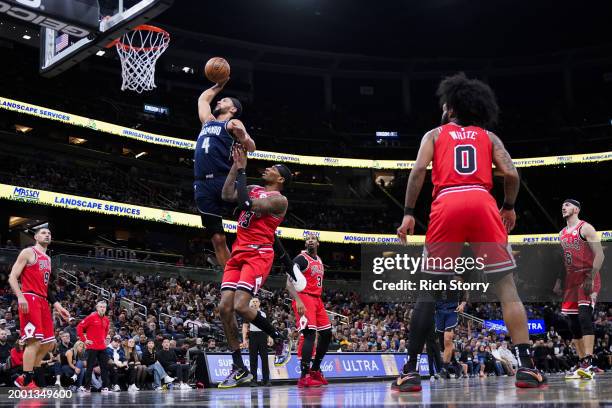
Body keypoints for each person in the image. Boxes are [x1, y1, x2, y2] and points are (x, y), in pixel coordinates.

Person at [393, 73, 546, 392]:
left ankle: (409, 372)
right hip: (482, 200)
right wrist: (508, 206)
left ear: (450, 107)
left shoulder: (434, 134)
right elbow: (512, 174)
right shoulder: (488, 137)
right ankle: (527, 367)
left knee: (428, 293)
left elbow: (418, 172)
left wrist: (408, 213)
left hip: (447, 202)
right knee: (506, 288)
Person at [216, 146, 294, 388]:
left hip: (258, 254)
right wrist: (235, 166)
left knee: (240, 305)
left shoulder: (279, 200)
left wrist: (242, 171)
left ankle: (279, 338)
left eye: (274, 168)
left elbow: (249, 205)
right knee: (224, 308)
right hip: (239, 252)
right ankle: (239, 367)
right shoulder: (252, 187)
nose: (268, 168)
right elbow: (228, 194)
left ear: (280, 179)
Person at [194, 78, 256, 269]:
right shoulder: (207, 122)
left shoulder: (232, 122)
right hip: (202, 184)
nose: (219, 101)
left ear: (233, 109)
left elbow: (252, 147)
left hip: (224, 180)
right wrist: (218, 86)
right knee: (218, 238)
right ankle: (230, 279)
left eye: (224, 100)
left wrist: (243, 136)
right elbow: (203, 100)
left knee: (249, 208)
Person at [8, 227, 70, 389]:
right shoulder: (28, 252)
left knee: (49, 343)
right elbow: (12, 277)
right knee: (34, 342)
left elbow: (46, 287)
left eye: (49, 233)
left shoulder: (48, 259)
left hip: (43, 301)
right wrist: (20, 296)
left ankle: (29, 376)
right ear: (35, 237)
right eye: (43, 232)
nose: (47, 234)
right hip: (30, 298)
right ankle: (26, 379)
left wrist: (57, 305)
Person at [554, 199, 605, 380]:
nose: (563, 207)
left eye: (567, 205)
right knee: (572, 322)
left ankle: (589, 361)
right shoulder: (561, 233)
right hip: (571, 278)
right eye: (562, 206)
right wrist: (560, 280)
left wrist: (591, 276)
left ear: (576, 209)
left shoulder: (586, 228)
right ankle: (583, 361)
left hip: (587, 275)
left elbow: (600, 254)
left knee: (584, 316)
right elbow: (564, 261)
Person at [286, 233, 331, 387]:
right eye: (308, 239)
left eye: (313, 239)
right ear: (305, 243)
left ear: (318, 243)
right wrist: (297, 300)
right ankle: (304, 375)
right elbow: (288, 283)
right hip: (304, 298)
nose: (310, 240)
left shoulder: (319, 260)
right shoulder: (300, 259)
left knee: (327, 334)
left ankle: (315, 369)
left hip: (317, 299)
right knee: (310, 335)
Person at [434, 274, 467, 379]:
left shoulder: (457, 279)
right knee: (443, 345)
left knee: (447, 339)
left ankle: (444, 370)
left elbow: (465, 293)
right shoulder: (435, 279)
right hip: (439, 312)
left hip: (452, 312)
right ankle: (457, 365)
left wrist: (462, 305)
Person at [77, 300, 111, 393]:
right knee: (89, 367)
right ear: (97, 308)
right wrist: (85, 340)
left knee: (104, 367)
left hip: (102, 347)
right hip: (92, 347)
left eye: (104, 307)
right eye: (101, 307)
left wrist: (104, 338)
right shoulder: (91, 317)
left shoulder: (106, 319)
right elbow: (79, 327)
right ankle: (87, 387)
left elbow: (107, 330)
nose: (102, 308)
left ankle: (105, 387)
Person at [242, 298, 272, 387]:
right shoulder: (248, 313)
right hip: (253, 335)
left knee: (264, 359)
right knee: (253, 359)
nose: (255, 303)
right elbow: (245, 326)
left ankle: (266, 380)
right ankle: (253, 380)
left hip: (262, 335)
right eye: (253, 301)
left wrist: (270, 337)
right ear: (250, 303)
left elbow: (268, 326)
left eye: (256, 301)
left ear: (259, 303)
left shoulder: (264, 313)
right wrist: (244, 339)